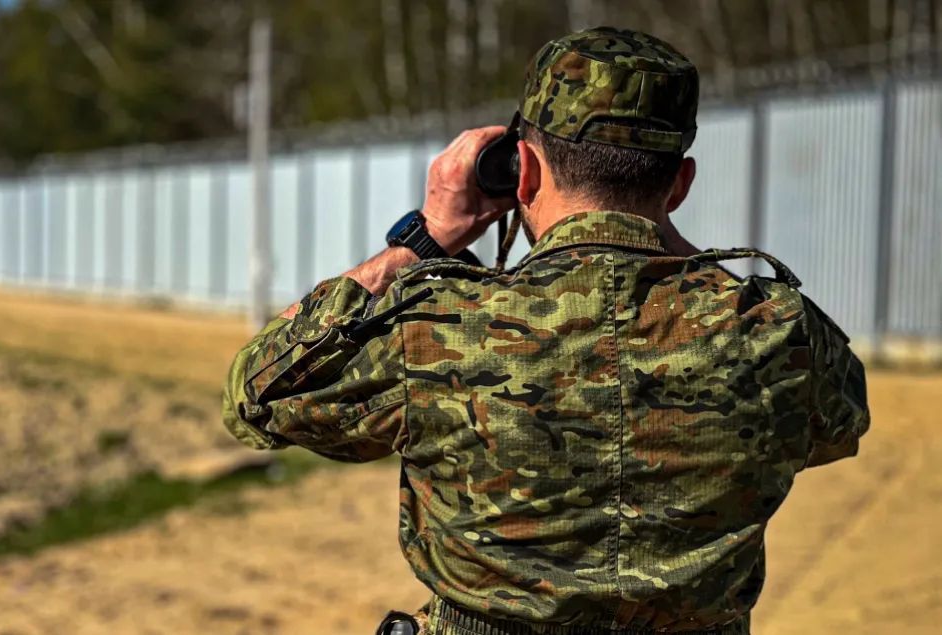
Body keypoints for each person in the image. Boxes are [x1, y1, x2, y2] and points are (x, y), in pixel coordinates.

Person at [221, 27, 870, 635]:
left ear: (520, 170)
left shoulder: (438, 328)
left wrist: (428, 235)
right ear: (681, 184)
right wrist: (665, 240)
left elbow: (257, 393)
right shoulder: (778, 332)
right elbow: (841, 420)